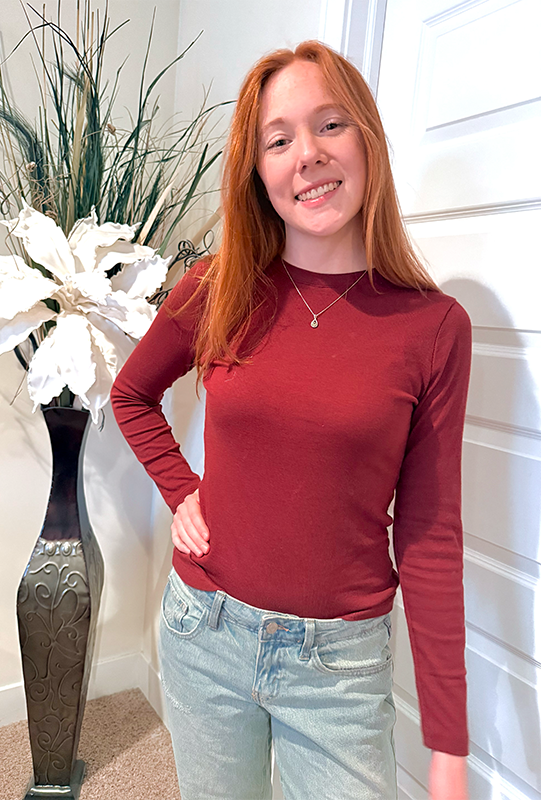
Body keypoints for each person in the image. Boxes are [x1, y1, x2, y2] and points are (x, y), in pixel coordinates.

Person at [111, 40, 471, 800]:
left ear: (368, 140)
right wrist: (181, 490)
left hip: (339, 669)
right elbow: (131, 395)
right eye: (278, 140)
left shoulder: (433, 327)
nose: (307, 154)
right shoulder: (218, 286)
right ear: (259, 171)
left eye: (330, 125)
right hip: (204, 632)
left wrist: (447, 743)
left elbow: (431, 534)